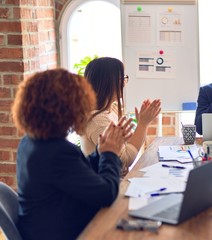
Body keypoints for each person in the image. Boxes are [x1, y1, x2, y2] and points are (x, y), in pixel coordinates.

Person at [13, 69, 133, 240]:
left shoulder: (31, 142)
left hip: (44, 228)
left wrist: (101, 150)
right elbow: (106, 194)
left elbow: (78, 171)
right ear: (69, 109)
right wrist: (111, 153)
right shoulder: (56, 152)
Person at [80, 57, 161, 177]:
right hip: (107, 187)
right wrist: (142, 125)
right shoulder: (97, 120)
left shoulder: (112, 109)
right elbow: (125, 160)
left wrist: (142, 124)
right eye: (122, 78)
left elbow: (127, 148)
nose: (124, 83)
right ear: (108, 82)